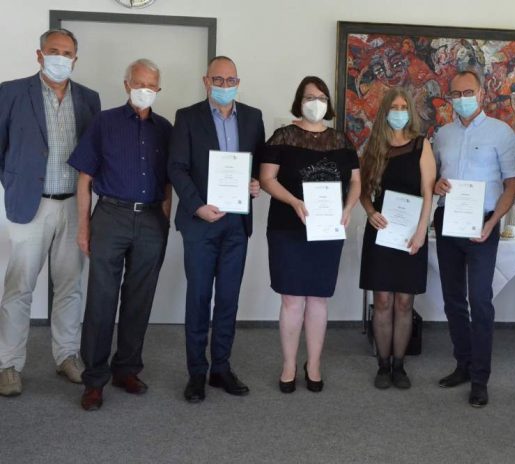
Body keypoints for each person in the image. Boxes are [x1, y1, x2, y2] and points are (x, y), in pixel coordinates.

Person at [0, 29, 100, 396]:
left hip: (74, 204)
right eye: (53, 50)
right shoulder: (11, 92)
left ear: (75, 58)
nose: (61, 57)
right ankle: (8, 364)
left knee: (70, 285)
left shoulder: (89, 98)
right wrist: (16, 182)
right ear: (39, 55)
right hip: (31, 203)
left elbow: (94, 153)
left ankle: (67, 356)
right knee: (19, 287)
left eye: (67, 52)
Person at [68, 59, 172, 411]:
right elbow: (84, 178)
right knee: (101, 300)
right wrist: (84, 226)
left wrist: (164, 222)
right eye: (139, 83)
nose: (145, 90)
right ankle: (94, 379)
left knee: (139, 299)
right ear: (127, 84)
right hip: (110, 216)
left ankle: (126, 369)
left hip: (151, 219)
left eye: (151, 85)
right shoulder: (104, 122)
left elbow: (169, 182)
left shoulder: (165, 129)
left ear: (158, 89)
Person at [168, 56, 265, 403]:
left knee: (228, 298)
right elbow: (176, 168)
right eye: (218, 80)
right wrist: (198, 206)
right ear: (206, 81)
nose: (225, 86)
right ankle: (196, 372)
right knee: (198, 298)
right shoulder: (187, 117)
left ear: (238, 82)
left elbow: (258, 165)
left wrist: (256, 183)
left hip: (236, 223)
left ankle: (221, 367)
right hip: (200, 223)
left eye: (231, 80)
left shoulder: (252, 117)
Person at [259, 76, 360, 394]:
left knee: (318, 299)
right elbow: (266, 178)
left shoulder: (342, 141)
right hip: (287, 228)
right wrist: (293, 201)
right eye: (308, 97)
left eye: (321, 97)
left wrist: (348, 207)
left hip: (327, 230)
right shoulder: (283, 136)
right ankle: (289, 364)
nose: (315, 103)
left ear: (328, 103)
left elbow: (357, 181)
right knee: (291, 299)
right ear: (298, 102)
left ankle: (313, 364)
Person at [433, 69, 515, 407]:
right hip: (448, 221)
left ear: (481, 94)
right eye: (456, 94)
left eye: (468, 92)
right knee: (453, 299)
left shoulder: (501, 132)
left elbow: (512, 184)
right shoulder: (442, 134)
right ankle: (463, 364)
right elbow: (434, 179)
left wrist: (493, 222)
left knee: (480, 300)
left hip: (484, 222)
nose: (462, 99)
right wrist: (436, 185)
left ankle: (480, 378)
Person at [359, 88, 435, 389]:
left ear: (410, 112)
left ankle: (399, 366)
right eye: (394, 107)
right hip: (381, 232)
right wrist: (369, 212)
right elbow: (363, 191)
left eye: (404, 107)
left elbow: (428, 192)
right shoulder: (373, 146)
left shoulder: (421, 145)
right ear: (385, 112)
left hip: (410, 235)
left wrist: (421, 230)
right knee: (381, 300)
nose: (399, 112)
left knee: (404, 302)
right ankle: (383, 365)